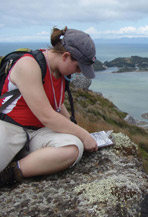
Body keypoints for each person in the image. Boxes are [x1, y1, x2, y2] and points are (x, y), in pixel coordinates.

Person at [0, 27, 98, 187]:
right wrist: (84, 134)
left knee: (73, 148)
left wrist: (76, 131)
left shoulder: (60, 72)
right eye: (78, 67)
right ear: (66, 56)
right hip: (9, 127)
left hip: (38, 131)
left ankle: (12, 172)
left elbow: (58, 106)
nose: (79, 72)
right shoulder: (29, 65)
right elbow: (47, 115)